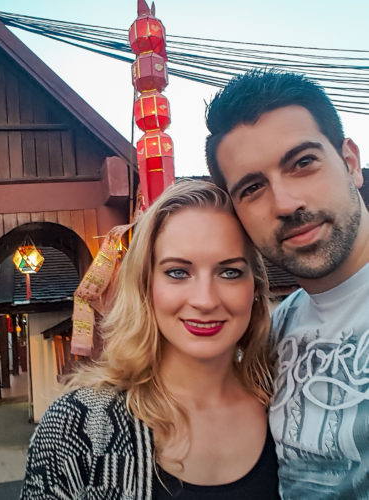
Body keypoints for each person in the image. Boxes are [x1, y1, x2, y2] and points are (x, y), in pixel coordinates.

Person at [20, 179, 279, 499]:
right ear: (145, 286)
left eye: (229, 272)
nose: (205, 300)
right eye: (178, 272)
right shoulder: (79, 427)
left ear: (254, 288)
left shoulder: (291, 406)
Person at [205, 70, 369, 499]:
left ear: (350, 162)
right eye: (253, 187)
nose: (284, 204)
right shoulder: (276, 332)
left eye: (302, 163)